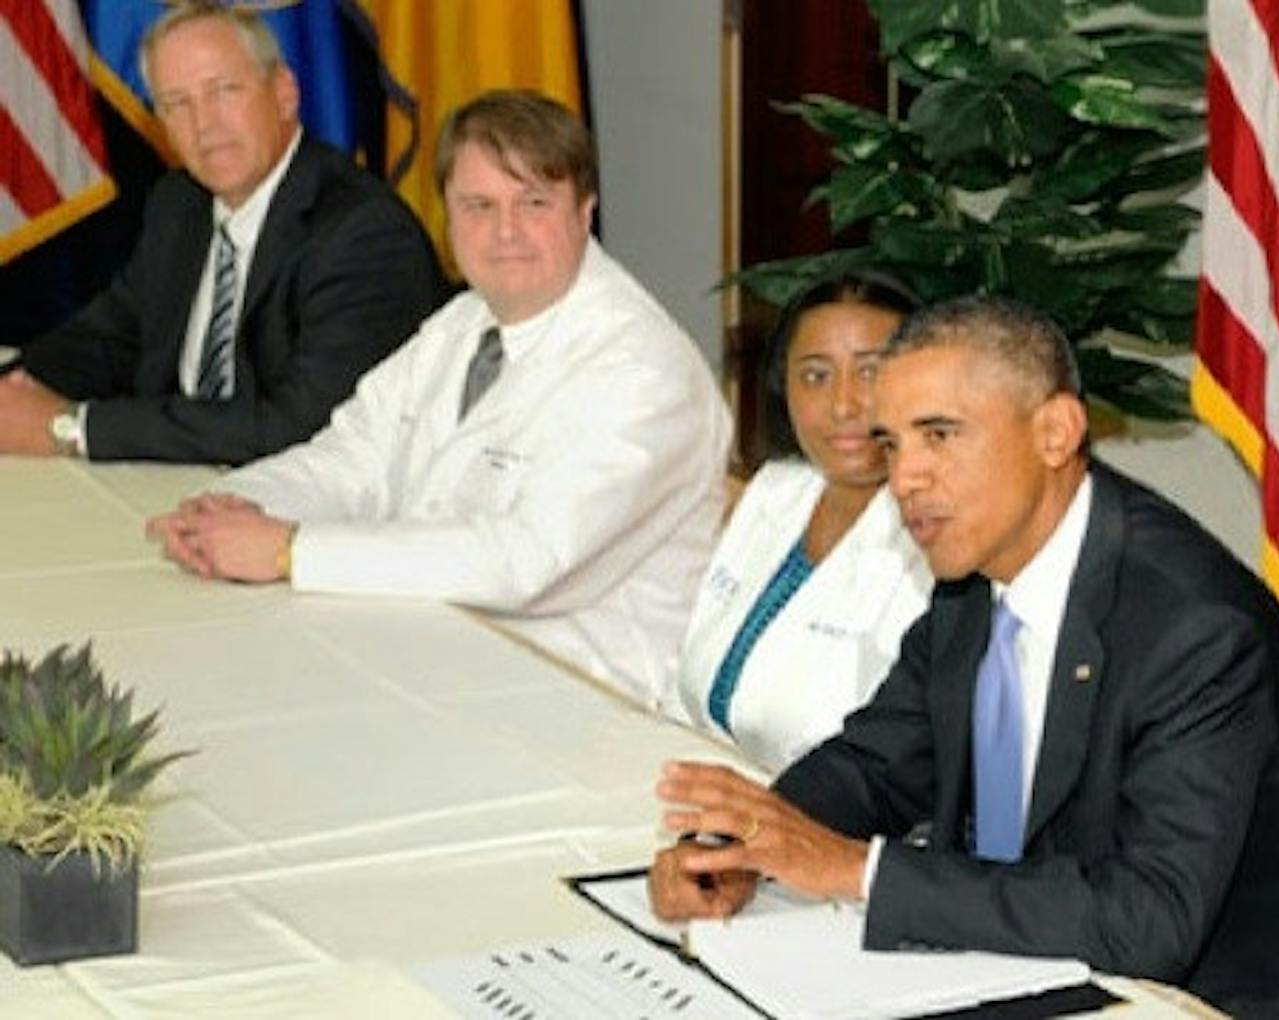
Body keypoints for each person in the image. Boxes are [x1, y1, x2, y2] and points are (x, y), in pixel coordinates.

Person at [646, 296, 1279, 1018]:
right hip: (1044, 977)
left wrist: (857, 870)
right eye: (892, 443)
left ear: (1055, 433)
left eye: (940, 435)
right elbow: (878, 763)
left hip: (1227, 1004)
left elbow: (1148, 917)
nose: (904, 478)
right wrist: (743, 841)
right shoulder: (974, 575)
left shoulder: (1198, 629)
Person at [144, 90, 731, 708]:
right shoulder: (465, 321)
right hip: (437, 656)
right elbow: (352, 457)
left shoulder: (645, 372)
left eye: (534, 202)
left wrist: (292, 550)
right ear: (447, 217)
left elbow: (526, 563)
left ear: (584, 213)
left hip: (580, 700)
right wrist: (234, 506)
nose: (505, 232)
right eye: (478, 205)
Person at [0, 2, 441, 465]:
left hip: (298, 506)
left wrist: (73, 428)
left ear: (284, 93)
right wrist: (14, 387)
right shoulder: (180, 204)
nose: (204, 124)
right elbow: (109, 339)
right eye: (177, 103)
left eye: (224, 91)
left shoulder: (363, 232)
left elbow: (301, 427)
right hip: (176, 481)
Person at [668, 271, 931, 772]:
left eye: (871, 372)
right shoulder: (778, 490)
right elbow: (686, 677)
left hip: (824, 828)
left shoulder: (939, 537)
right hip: (705, 788)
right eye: (816, 375)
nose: (844, 404)